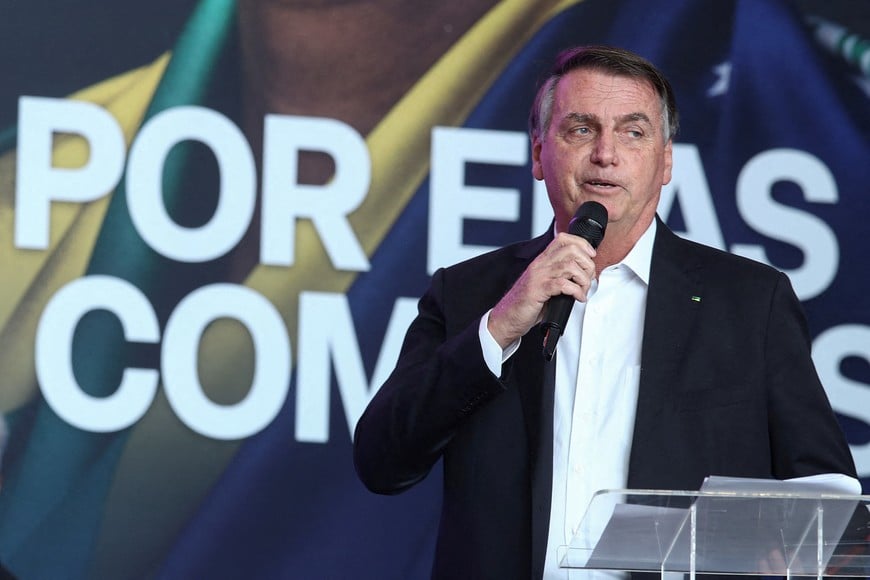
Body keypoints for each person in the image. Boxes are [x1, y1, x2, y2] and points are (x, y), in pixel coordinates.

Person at [352, 45, 858, 579]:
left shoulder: (751, 302)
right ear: (538, 151)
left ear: (666, 162)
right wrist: (500, 329)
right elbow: (383, 462)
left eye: (633, 133)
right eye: (580, 130)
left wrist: (783, 551)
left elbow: (825, 494)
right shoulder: (469, 294)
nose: (606, 155)